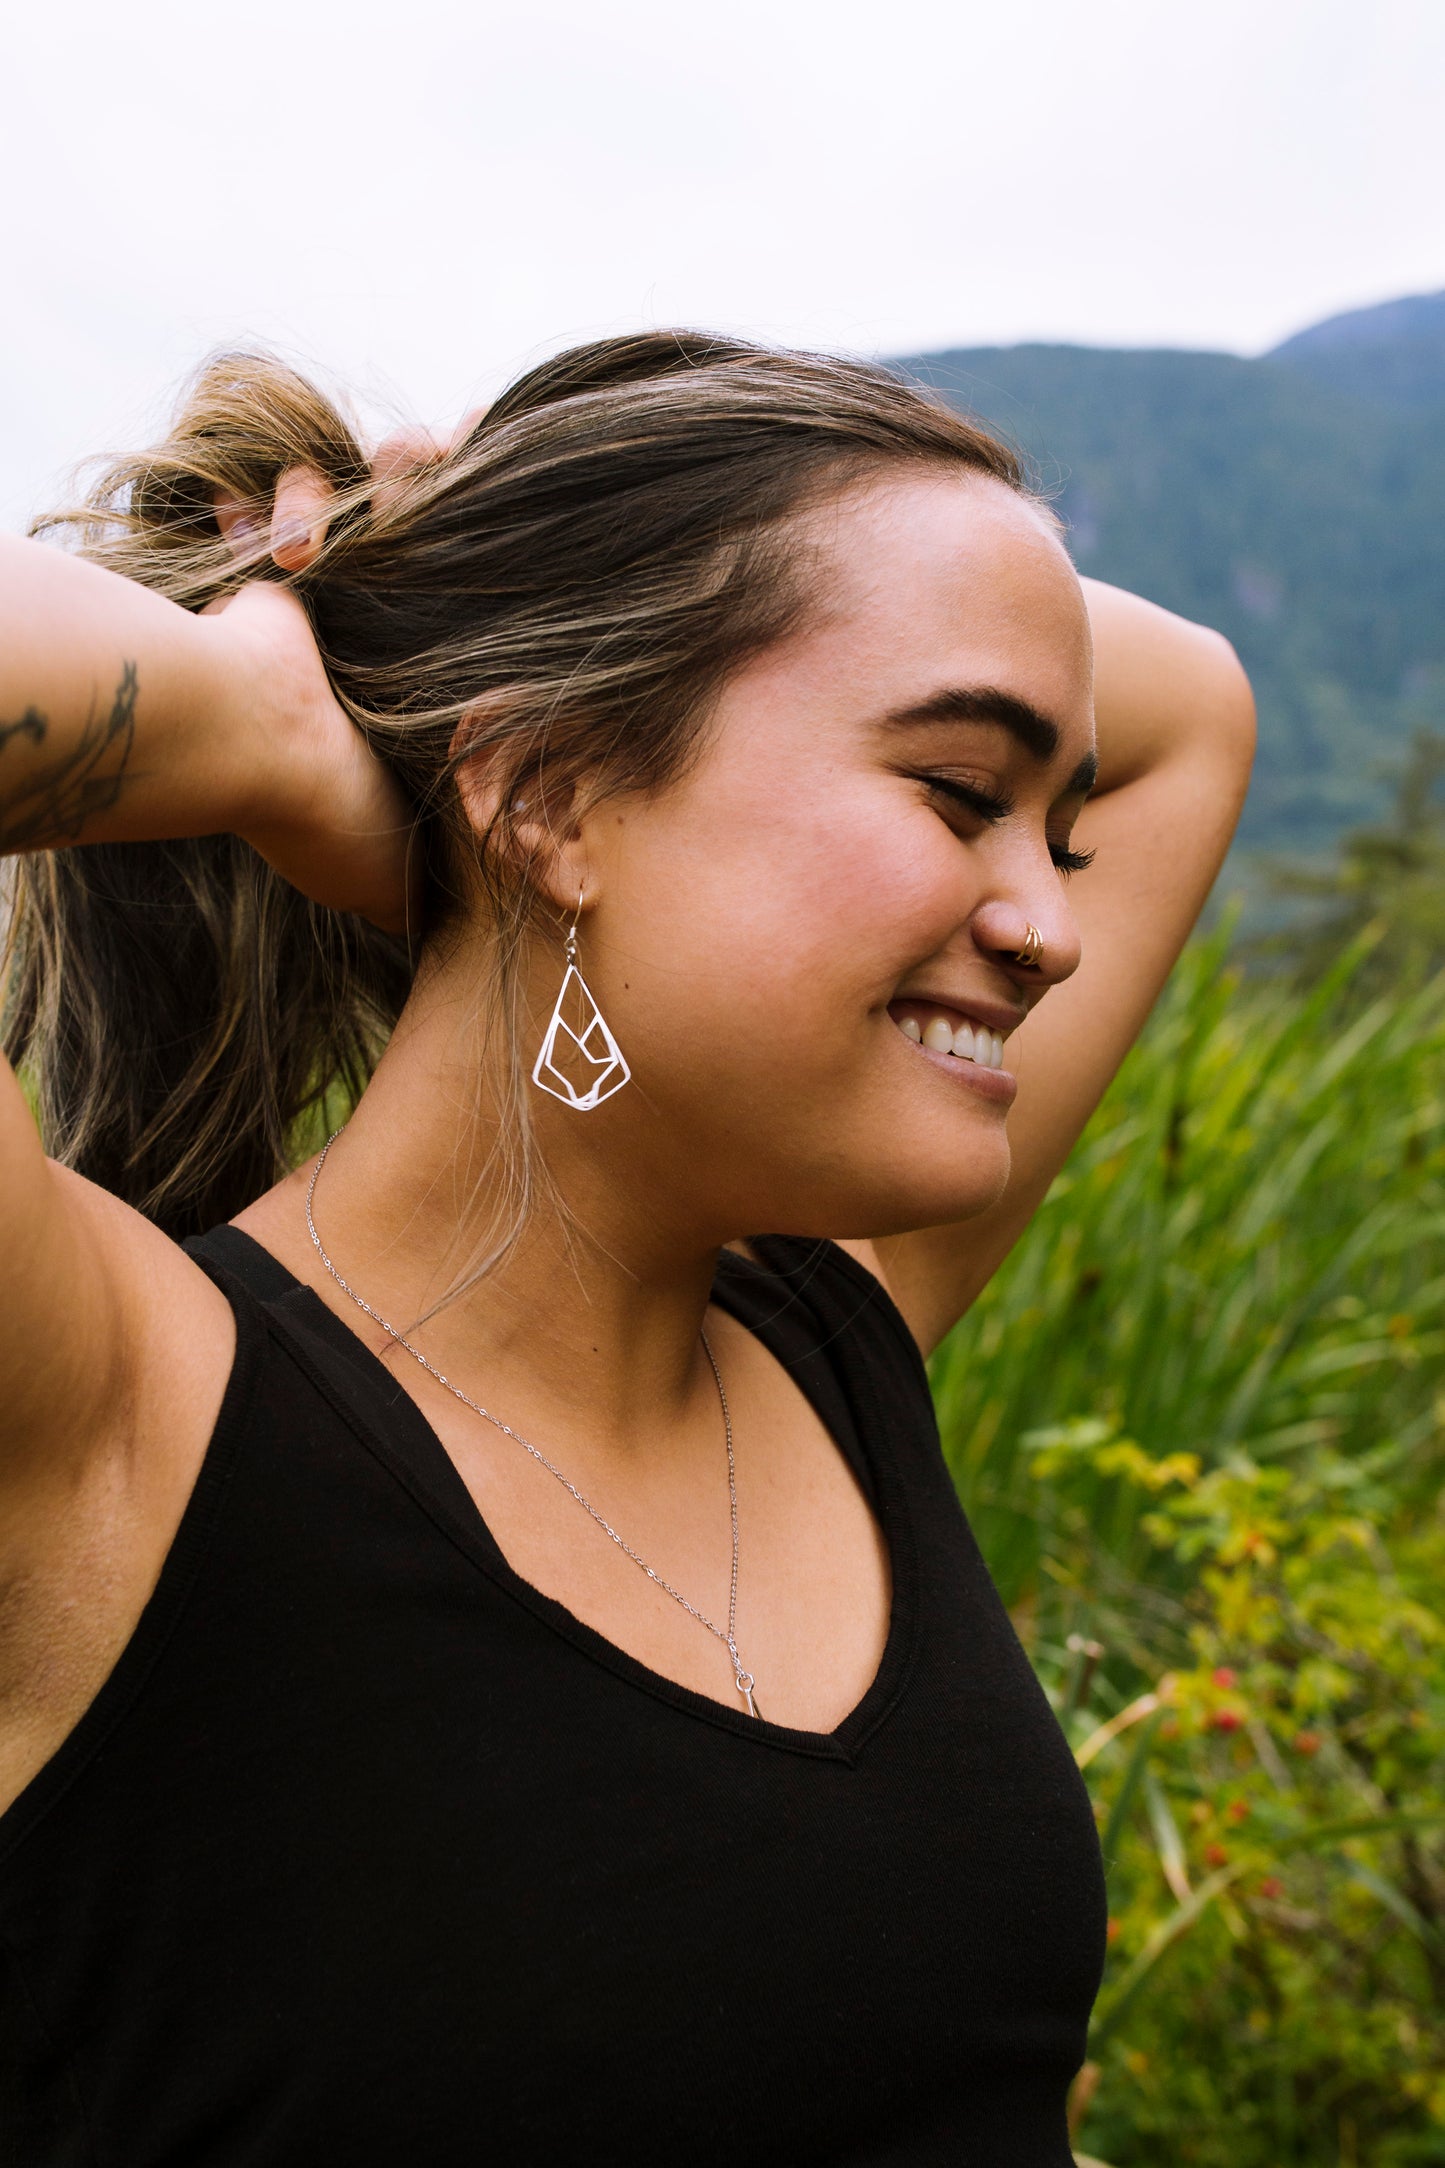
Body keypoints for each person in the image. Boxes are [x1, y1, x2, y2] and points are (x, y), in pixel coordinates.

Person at [0, 333, 1253, 2165]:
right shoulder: (108, 1421)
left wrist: (458, 576)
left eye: (1055, 832)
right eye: (959, 792)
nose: (1046, 921)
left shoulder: (829, 1342)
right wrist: (260, 725)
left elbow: (1190, 709)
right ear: (554, 803)